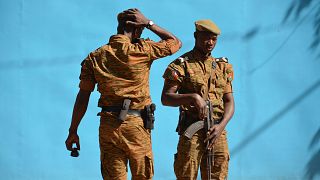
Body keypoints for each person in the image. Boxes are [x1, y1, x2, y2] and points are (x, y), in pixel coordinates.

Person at [65, 8, 181, 180]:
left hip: (108, 126)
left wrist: (73, 131)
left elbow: (83, 97)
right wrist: (149, 23)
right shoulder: (142, 50)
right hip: (136, 126)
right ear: (137, 29)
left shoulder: (96, 57)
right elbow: (175, 42)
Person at [161, 19, 235, 180]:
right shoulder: (181, 65)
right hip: (192, 129)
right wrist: (192, 97)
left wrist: (221, 126)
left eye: (214, 39)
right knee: (186, 174)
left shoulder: (222, 67)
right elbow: (166, 98)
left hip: (217, 131)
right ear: (196, 36)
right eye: (206, 38)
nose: (210, 43)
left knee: (218, 175)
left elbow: (229, 101)